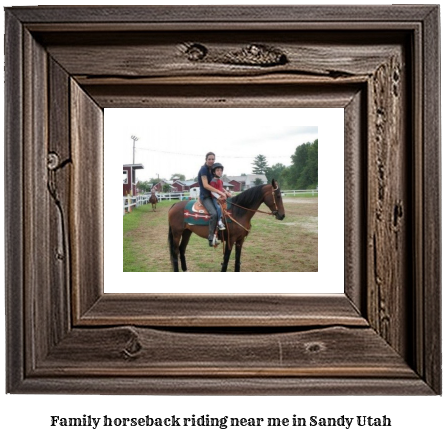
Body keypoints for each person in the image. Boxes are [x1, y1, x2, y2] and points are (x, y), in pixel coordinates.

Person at [197, 152, 225, 246]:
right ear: (206, 159)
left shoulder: (212, 170)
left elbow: (218, 184)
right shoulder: (204, 169)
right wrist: (220, 192)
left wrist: (224, 192)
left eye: (213, 159)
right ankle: (210, 237)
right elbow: (205, 185)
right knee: (213, 213)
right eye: (209, 159)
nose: (211, 161)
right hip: (206, 196)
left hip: (213, 195)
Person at [209, 163, 232, 231]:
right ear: (214, 172)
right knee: (218, 208)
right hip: (214, 198)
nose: (220, 172)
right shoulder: (213, 181)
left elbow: (221, 188)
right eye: (218, 170)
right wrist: (218, 197)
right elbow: (212, 191)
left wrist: (226, 192)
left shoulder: (220, 181)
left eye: (221, 170)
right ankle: (219, 221)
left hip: (221, 196)